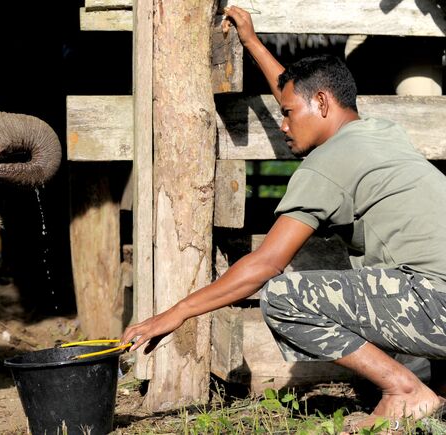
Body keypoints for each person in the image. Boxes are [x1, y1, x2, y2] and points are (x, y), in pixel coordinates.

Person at [120, 5, 446, 431]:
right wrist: (252, 41)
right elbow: (295, 94)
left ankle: (405, 392)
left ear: (323, 103)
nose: (284, 125)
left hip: (437, 305)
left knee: (283, 297)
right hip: (436, 298)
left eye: (288, 115)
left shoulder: (327, 163)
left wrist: (177, 312)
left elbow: (266, 265)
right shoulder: (380, 133)